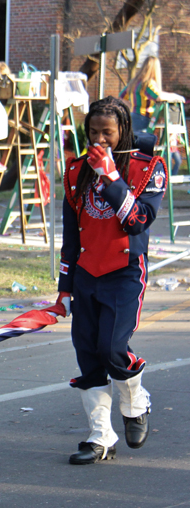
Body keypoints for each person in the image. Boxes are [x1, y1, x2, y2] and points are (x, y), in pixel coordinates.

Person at [52, 96, 166, 465]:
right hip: (86, 274)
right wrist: (64, 288)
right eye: (93, 133)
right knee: (88, 354)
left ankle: (136, 402)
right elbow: (72, 235)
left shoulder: (148, 169)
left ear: (124, 132)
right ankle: (101, 437)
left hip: (124, 272)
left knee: (113, 347)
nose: (100, 140)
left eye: (108, 133)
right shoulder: (75, 172)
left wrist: (112, 177)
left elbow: (137, 222)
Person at [120, 56, 185, 134]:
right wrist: (177, 96)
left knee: (134, 143)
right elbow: (159, 96)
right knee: (142, 143)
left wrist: (131, 106)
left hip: (133, 116)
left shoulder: (134, 82)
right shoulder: (148, 83)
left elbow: (122, 97)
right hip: (143, 118)